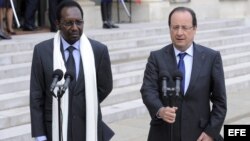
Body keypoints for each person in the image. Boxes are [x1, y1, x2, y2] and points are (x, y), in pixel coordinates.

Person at [30, 1, 114, 141]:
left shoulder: (99, 50)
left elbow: (105, 86)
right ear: (57, 23)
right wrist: (40, 135)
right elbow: (36, 95)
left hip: (87, 126)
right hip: (54, 128)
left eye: (79, 22)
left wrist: (84, 101)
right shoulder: (42, 51)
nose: (75, 28)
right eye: (69, 23)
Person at [140, 7, 227, 141]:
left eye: (185, 27)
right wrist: (160, 110)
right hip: (163, 134)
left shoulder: (211, 58)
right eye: (175, 27)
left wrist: (211, 132)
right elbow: (148, 90)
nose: (179, 32)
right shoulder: (156, 57)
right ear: (169, 29)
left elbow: (220, 101)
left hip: (199, 134)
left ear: (194, 29)